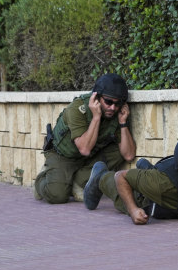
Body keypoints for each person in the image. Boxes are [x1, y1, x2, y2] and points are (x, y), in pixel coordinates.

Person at [34, 73, 136, 204]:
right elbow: (85, 149)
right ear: (97, 98)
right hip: (64, 156)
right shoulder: (77, 109)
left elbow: (128, 155)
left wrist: (123, 123)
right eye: (108, 102)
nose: (113, 108)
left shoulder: (118, 113)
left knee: (118, 151)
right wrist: (96, 117)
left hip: (88, 156)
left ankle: (77, 183)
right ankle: (41, 181)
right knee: (57, 195)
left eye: (118, 104)